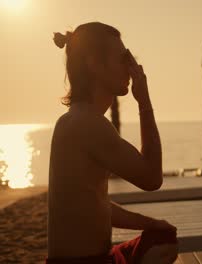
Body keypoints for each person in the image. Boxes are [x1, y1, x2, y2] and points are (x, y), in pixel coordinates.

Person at [47, 22, 178, 264]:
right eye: (123, 59)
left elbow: (95, 205)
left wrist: (151, 224)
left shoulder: (74, 119)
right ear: (94, 64)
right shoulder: (88, 123)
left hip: (92, 258)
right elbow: (151, 178)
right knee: (163, 243)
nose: (131, 69)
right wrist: (144, 102)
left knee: (162, 238)